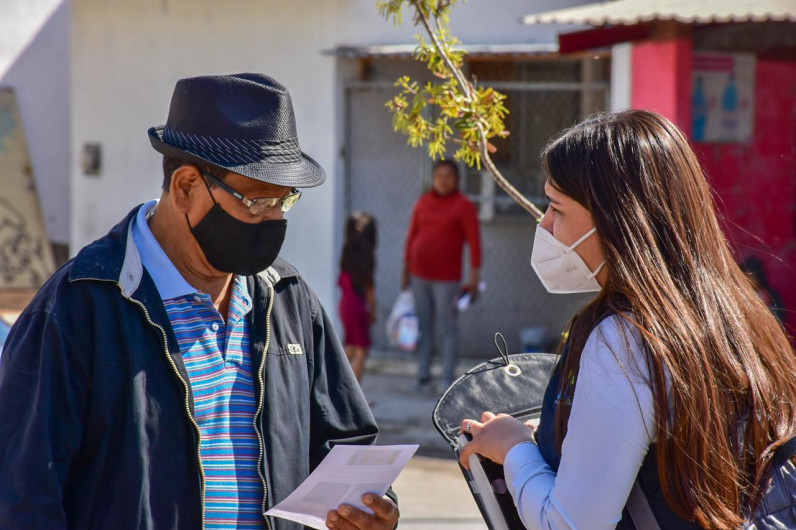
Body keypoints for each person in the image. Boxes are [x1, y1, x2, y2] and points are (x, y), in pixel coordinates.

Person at [0, 74, 399, 530]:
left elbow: (347, 449)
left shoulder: (288, 300)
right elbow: (23, 493)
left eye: (284, 202)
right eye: (256, 202)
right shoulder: (80, 306)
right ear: (187, 187)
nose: (273, 220)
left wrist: (372, 509)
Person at [459, 110, 796, 529]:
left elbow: (568, 523)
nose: (544, 225)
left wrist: (514, 449)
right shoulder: (739, 314)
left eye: (556, 208)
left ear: (617, 220)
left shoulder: (624, 341)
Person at [401, 160, 482, 392]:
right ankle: (423, 377)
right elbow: (411, 237)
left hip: (447, 279)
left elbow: (475, 244)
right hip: (419, 276)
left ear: (457, 179)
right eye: (439, 176)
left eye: (448, 176)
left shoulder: (464, 206)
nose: (443, 180)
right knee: (424, 328)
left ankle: (447, 380)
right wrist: (405, 270)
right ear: (433, 178)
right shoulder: (422, 203)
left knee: (447, 328)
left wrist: (474, 276)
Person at [338, 211, 378, 382]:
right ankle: (355, 397)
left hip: (345, 305)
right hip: (358, 307)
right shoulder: (367, 256)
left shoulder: (347, 252)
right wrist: (373, 311)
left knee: (351, 348)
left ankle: (335, 384)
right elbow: (369, 289)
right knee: (361, 351)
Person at [739, 255, 787, 324]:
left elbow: (781, 316)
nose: (747, 280)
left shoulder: (770, 295)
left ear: (758, 277)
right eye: (744, 276)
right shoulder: (741, 295)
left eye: (751, 276)